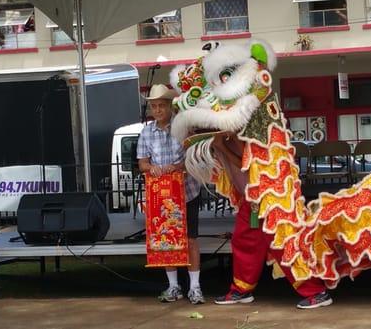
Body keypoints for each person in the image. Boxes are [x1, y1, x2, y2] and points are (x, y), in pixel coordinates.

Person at [210, 131, 333, 309]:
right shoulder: (237, 132)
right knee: (244, 240)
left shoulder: (263, 130)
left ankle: (316, 291)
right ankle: (241, 289)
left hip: (272, 198)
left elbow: (249, 164)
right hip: (252, 198)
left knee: (282, 244)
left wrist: (221, 145)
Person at [136, 84, 204, 304]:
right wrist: (151, 168)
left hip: (187, 191)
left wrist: (178, 166)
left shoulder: (184, 128)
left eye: (161, 106)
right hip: (162, 197)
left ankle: (195, 287)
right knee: (166, 239)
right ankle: (173, 286)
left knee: (190, 239)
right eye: (154, 106)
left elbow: (194, 157)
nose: (157, 110)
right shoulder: (147, 132)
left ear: (170, 106)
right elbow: (142, 163)